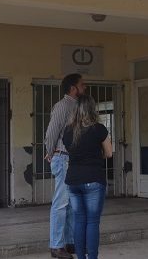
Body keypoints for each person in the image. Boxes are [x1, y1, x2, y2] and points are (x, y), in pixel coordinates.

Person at [63, 95, 113, 259]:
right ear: (92, 109)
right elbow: (109, 153)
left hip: (73, 181)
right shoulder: (99, 129)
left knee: (79, 221)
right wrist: (97, 155)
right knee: (92, 222)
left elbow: (72, 151)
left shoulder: (68, 131)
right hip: (93, 179)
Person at [45, 73, 86, 259]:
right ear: (72, 88)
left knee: (70, 204)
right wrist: (50, 150)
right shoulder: (62, 106)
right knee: (61, 203)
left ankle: (69, 243)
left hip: (72, 159)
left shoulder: (77, 107)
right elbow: (51, 132)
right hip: (62, 158)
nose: (84, 88)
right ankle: (56, 246)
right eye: (81, 85)